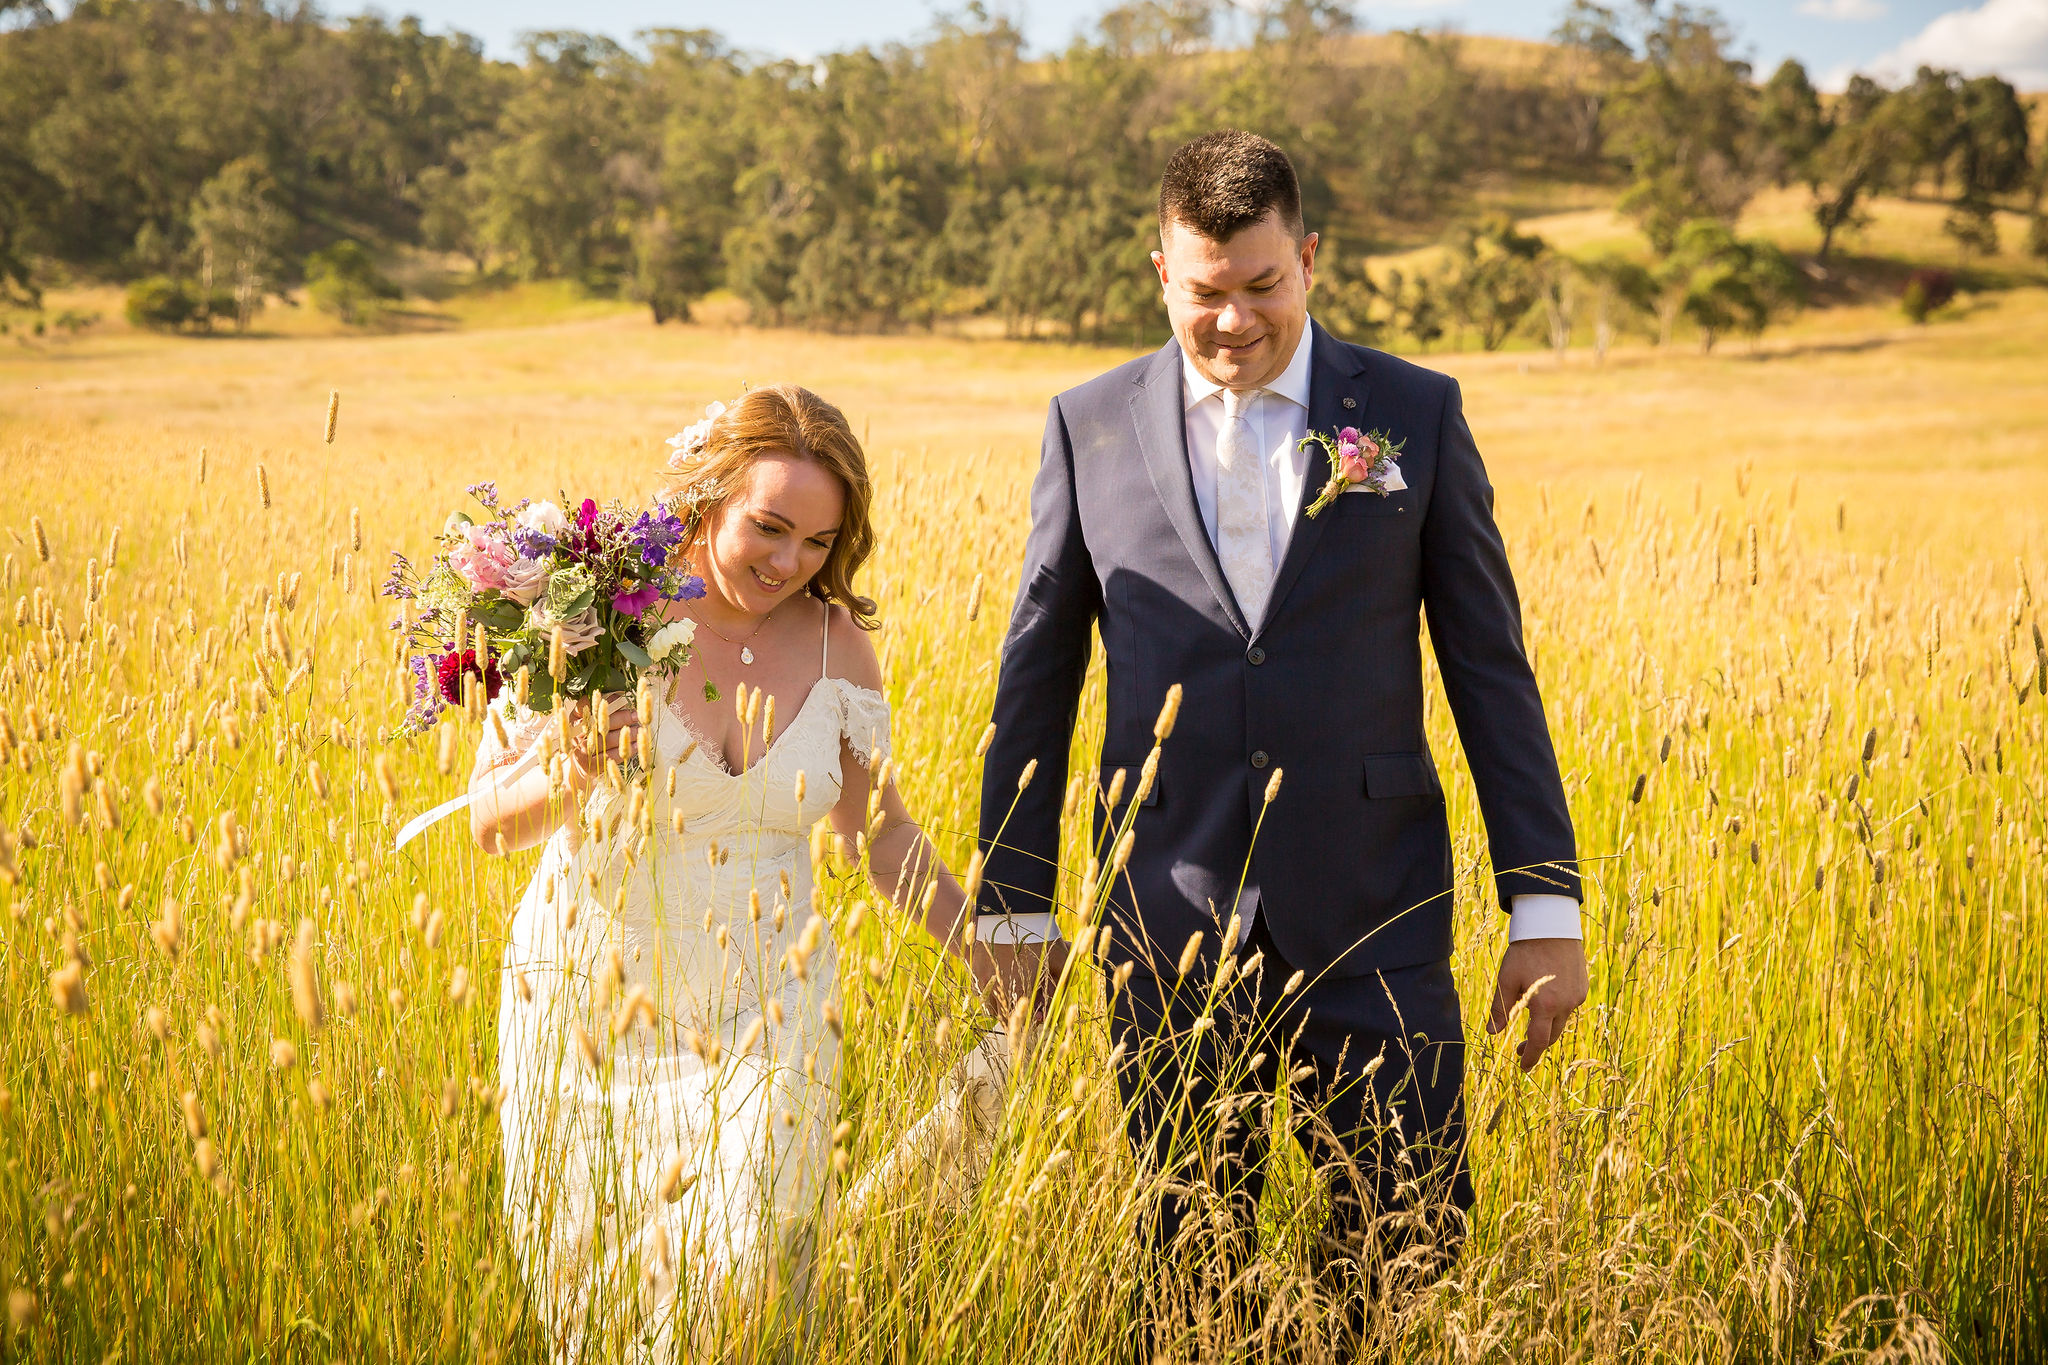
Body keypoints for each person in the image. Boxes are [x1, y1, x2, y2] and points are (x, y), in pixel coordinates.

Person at [974, 131, 1590, 1324]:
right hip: (1166, 929)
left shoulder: (1413, 410)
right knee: (1183, 1276)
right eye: (1205, 293)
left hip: (1377, 915)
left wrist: (1545, 907)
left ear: (1307, 258)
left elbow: (1489, 674)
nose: (1234, 321)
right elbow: (1034, 677)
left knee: (1408, 1248)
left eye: (1263, 287)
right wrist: (1011, 903)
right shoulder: (1085, 424)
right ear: (1159, 271)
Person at [468, 384, 991, 1359]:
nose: (788, 562)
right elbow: (493, 825)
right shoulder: (599, 620)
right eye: (769, 526)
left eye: (817, 543)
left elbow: (878, 834)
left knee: (736, 1274)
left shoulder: (838, 647)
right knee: (602, 1313)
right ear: (709, 498)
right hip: (588, 1011)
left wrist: (983, 949)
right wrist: (576, 762)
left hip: (770, 1007)